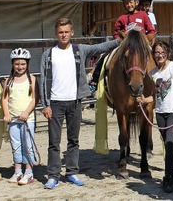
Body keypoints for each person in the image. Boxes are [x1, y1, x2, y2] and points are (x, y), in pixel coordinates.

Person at [40, 17, 121, 189]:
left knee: (73, 140)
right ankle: (53, 175)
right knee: (54, 142)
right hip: (55, 102)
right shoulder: (48, 54)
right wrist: (45, 105)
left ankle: (71, 172)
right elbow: (43, 81)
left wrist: (120, 40)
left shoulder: (79, 50)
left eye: (66, 31)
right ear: (56, 33)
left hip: (75, 101)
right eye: (60, 32)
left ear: (72, 32)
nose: (63, 35)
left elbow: (100, 47)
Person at [138, 41, 173, 193]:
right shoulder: (153, 73)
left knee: (170, 143)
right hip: (160, 112)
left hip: (172, 112)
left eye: (162, 52)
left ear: (168, 53)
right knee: (167, 144)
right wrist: (145, 100)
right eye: (157, 52)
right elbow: (155, 96)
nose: (159, 55)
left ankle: (168, 177)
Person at [2, 48, 38, 186]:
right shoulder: (8, 81)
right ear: (12, 64)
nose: (20, 67)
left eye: (23, 64)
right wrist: (6, 113)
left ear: (27, 64)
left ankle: (29, 172)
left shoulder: (32, 79)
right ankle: (17, 171)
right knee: (16, 145)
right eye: (17, 64)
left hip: (27, 120)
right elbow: (4, 99)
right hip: (13, 120)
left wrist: (27, 112)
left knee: (28, 146)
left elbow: (35, 99)